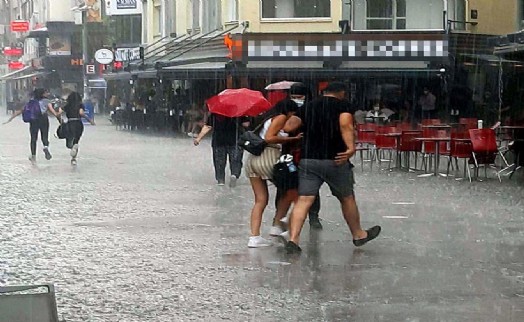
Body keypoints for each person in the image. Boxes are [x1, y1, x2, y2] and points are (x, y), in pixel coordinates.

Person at [283, 82, 381, 253]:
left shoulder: (309, 106)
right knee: (346, 197)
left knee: (304, 199)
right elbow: (345, 125)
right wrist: (350, 148)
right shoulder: (343, 105)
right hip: (336, 159)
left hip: (309, 159)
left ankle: (293, 240)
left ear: (324, 92)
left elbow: (289, 126)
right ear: (341, 93)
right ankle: (358, 235)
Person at [242, 102, 303, 248]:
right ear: (289, 111)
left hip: (252, 160)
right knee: (294, 189)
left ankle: (254, 237)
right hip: (269, 156)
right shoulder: (281, 117)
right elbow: (269, 138)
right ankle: (280, 223)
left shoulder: (266, 118)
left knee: (260, 200)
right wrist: (292, 139)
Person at [3, 88, 61, 163]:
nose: (47, 94)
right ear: (42, 94)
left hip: (33, 120)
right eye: (46, 92)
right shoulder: (47, 101)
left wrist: (10, 119)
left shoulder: (30, 101)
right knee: (45, 135)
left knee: (33, 138)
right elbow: (53, 112)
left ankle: (33, 156)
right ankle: (45, 147)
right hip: (43, 119)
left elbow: (20, 111)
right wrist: (58, 115)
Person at [193, 112, 246, 187]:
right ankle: (234, 174)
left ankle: (220, 180)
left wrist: (199, 138)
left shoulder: (215, 113)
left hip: (218, 140)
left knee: (219, 162)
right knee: (236, 160)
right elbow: (246, 124)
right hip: (235, 140)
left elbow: (208, 126)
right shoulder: (239, 111)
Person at [57, 92, 96, 165]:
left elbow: (59, 114)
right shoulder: (80, 105)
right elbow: (81, 113)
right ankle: (74, 159)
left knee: (69, 142)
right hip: (78, 123)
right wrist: (90, 120)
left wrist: (60, 121)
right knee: (76, 141)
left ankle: (72, 149)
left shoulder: (67, 105)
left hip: (70, 123)